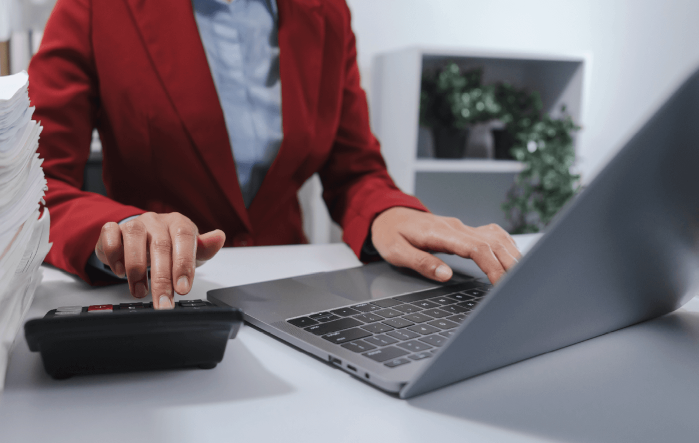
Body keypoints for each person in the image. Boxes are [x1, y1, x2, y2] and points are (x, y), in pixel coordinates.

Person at [28, 0, 522, 309]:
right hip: (160, 300)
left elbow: (355, 170)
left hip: (293, 294)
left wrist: (387, 212)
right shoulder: (94, 8)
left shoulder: (327, 12)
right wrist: (124, 231)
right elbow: (37, 185)